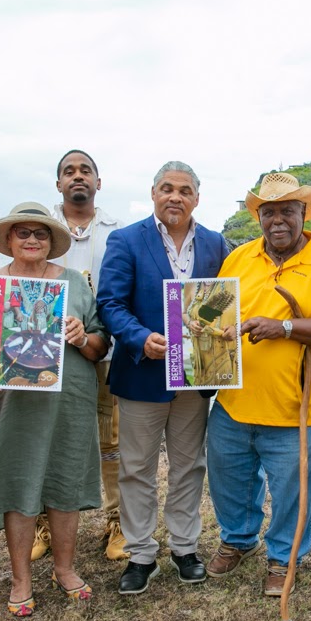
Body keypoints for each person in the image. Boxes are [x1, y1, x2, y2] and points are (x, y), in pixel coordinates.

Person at [205, 172, 311, 596]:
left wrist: (284, 326)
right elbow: (212, 313)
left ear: (303, 213)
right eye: (268, 212)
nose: (278, 221)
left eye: (287, 211)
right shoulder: (239, 259)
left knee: (293, 492)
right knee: (229, 479)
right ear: (258, 216)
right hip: (234, 403)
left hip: (295, 408)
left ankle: (284, 556)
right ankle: (238, 539)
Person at [0, 202, 109, 617]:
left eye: (40, 234)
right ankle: (20, 576)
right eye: (23, 233)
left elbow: (101, 345)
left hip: (68, 402)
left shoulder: (76, 285)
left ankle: (64, 568)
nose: (31, 240)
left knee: (65, 481)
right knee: (17, 482)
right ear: (9, 240)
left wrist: (82, 337)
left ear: (51, 242)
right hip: (12, 405)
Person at [97, 161, 232, 595]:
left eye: (185, 190)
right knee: (136, 467)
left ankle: (184, 547)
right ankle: (139, 554)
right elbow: (110, 303)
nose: (176, 197)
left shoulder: (216, 244)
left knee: (190, 465)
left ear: (197, 197)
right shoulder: (125, 240)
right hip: (143, 373)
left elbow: (225, 299)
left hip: (196, 375)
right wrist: (139, 337)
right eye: (167, 188)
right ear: (153, 193)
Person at [33, 150, 127, 562]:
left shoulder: (118, 232)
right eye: (68, 172)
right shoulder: (41, 231)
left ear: (98, 182)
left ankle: (119, 524)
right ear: (58, 184)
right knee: (46, 441)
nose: (77, 177)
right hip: (46, 356)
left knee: (113, 442)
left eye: (85, 170)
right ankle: (42, 525)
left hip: (108, 353)